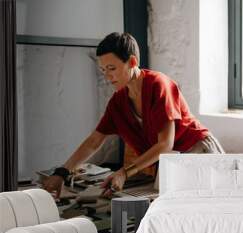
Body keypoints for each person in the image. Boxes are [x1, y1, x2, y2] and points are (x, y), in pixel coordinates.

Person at [43, 32, 224, 198]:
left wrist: (124, 172)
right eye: (103, 70)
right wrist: (62, 173)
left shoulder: (158, 85)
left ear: (132, 62)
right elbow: (94, 141)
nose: (107, 76)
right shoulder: (118, 102)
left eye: (112, 68)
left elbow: (165, 144)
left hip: (198, 151)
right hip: (172, 163)